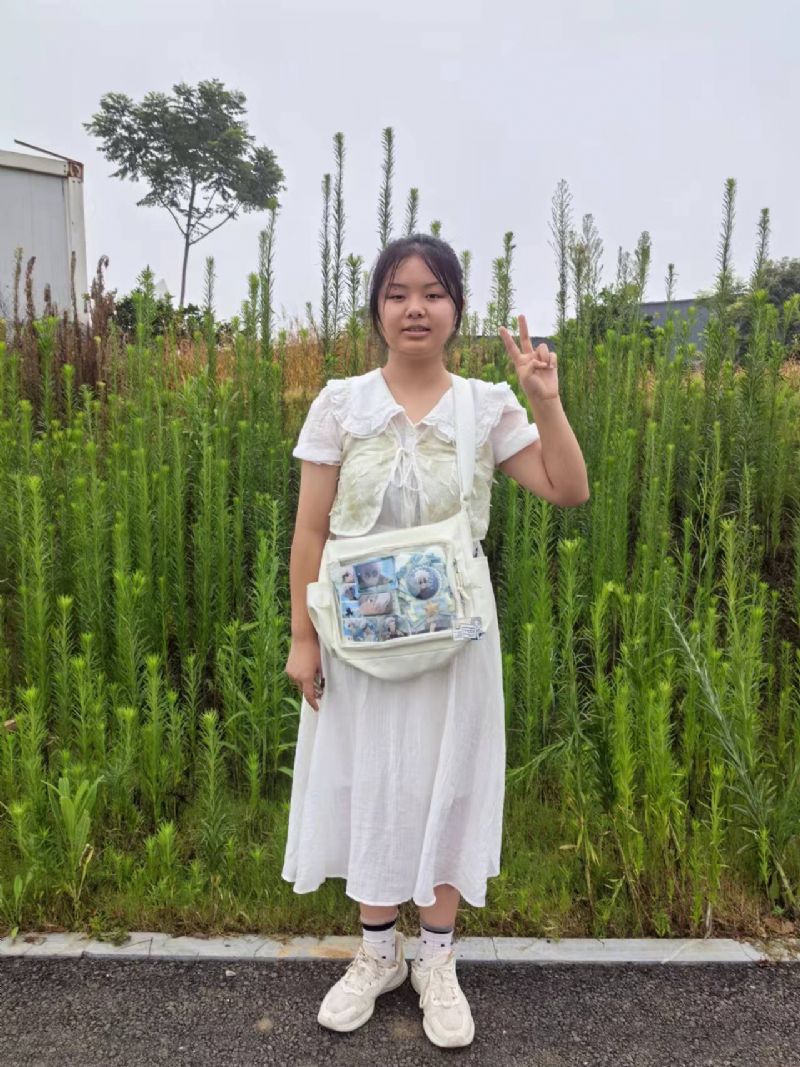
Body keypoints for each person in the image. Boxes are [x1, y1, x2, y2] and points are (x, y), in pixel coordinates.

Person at [282, 234, 589, 1048]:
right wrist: (302, 638)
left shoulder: (485, 405)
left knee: (447, 782)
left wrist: (546, 399)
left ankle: (438, 958)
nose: (414, 308)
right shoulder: (341, 404)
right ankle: (379, 952)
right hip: (359, 641)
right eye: (397, 293)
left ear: (457, 307)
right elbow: (310, 531)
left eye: (432, 293)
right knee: (371, 778)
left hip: (455, 643)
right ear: (376, 308)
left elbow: (568, 488)